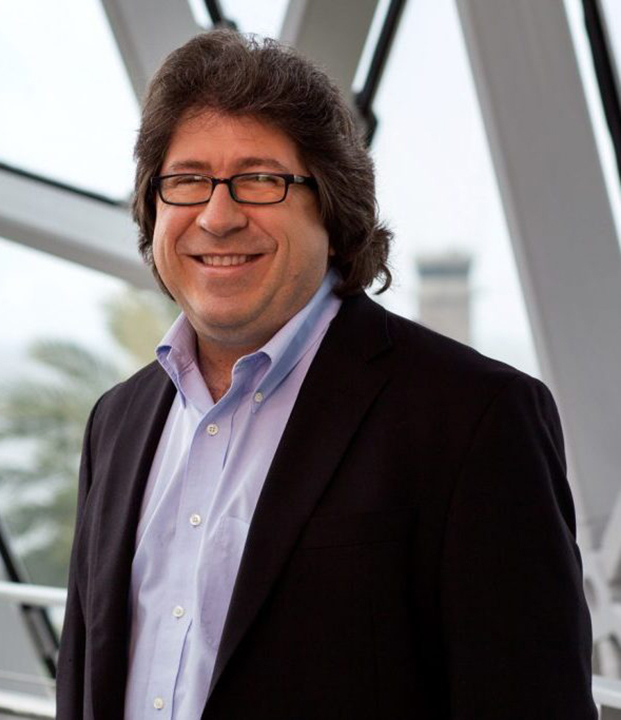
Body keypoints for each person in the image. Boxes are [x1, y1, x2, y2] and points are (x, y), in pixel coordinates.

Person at [56, 30, 596, 719]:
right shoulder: (117, 422)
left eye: (260, 179)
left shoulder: (475, 419)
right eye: (187, 180)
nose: (217, 216)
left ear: (334, 212)